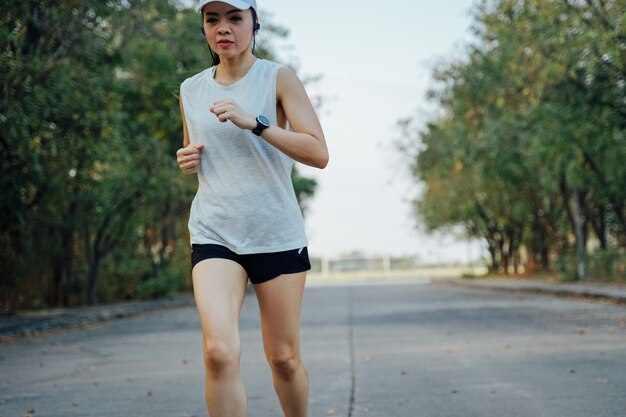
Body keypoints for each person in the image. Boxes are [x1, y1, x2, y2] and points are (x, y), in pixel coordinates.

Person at [175, 1, 328, 416]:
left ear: (254, 24)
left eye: (235, 18)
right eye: (213, 20)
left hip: (275, 232)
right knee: (218, 352)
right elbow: (196, 152)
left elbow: (318, 153)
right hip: (215, 233)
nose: (223, 28)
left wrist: (257, 123)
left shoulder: (278, 78)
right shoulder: (191, 89)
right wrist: (187, 159)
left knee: (283, 357)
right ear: (204, 28)